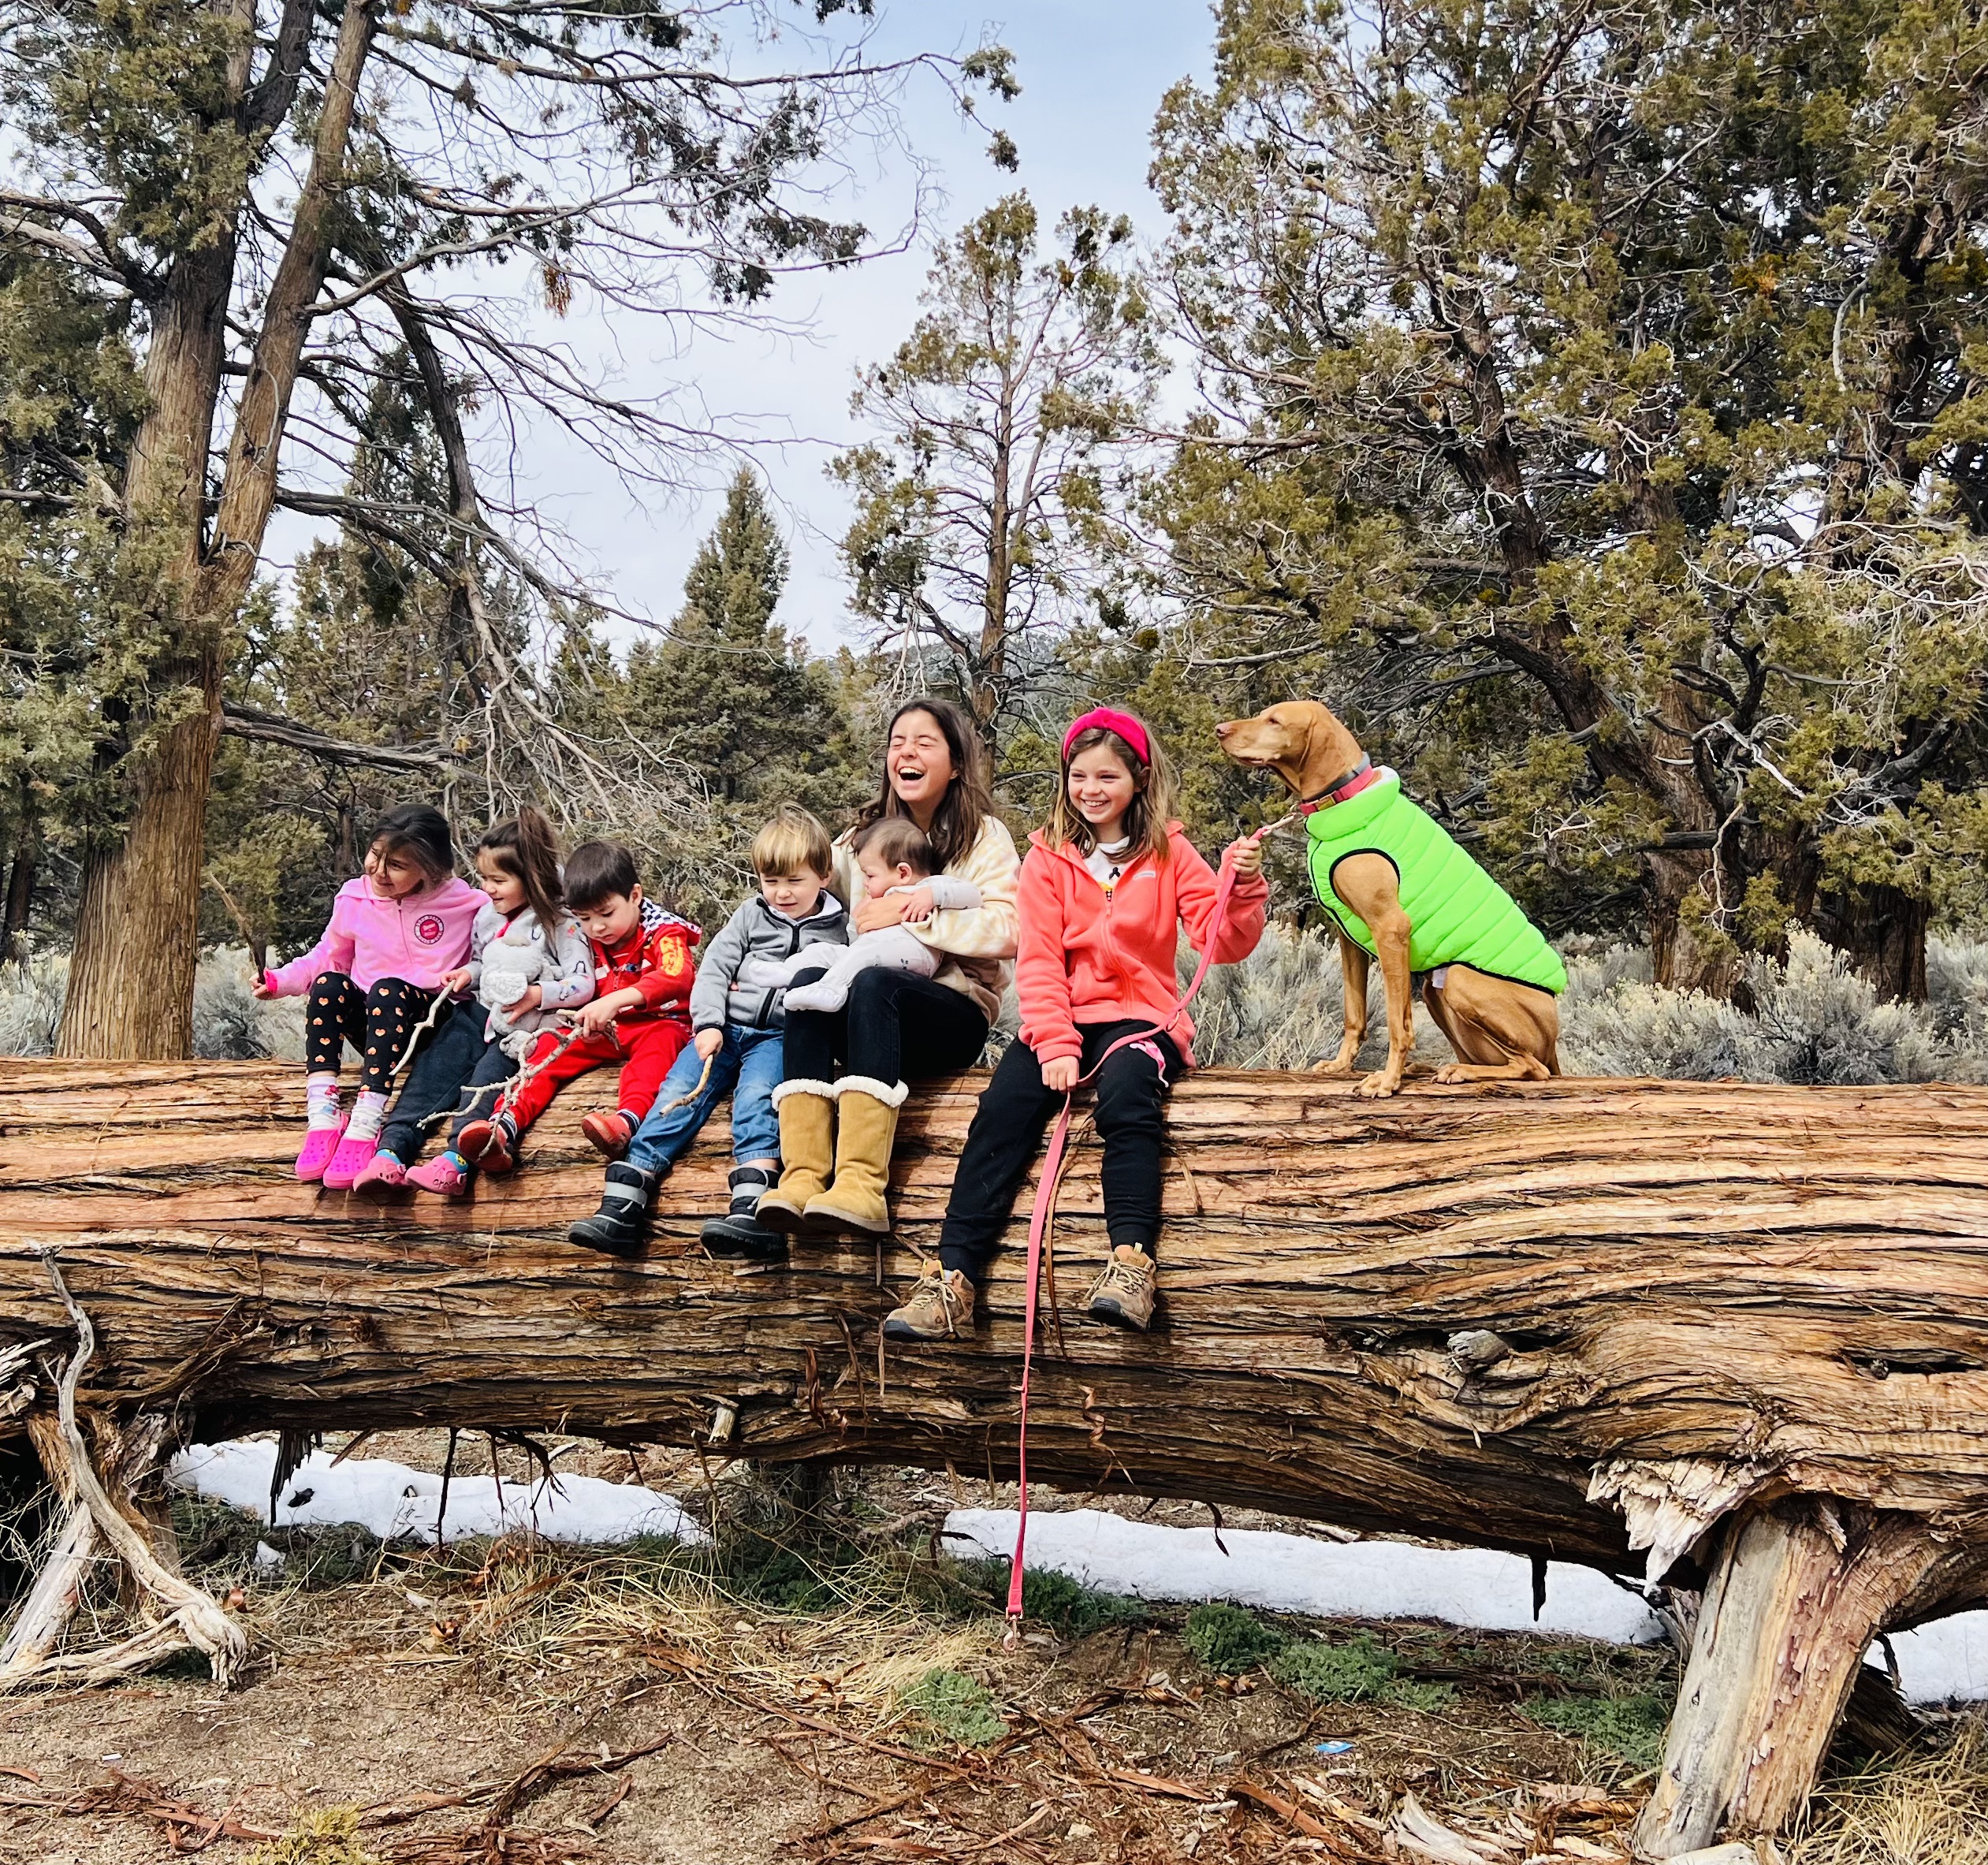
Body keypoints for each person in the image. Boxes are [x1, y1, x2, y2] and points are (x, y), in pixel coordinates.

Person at [885, 708, 1269, 1342]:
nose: (1090, 790)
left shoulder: (1171, 853)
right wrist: (1057, 1042)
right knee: (1001, 1111)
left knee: (1126, 1096)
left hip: (1142, 1017)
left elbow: (1221, 943)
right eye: (1079, 776)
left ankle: (1131, 1266)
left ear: (1139, 780)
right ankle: (951, 1278)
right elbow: (1038, 959)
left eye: (1107, 777)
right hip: (1060, 1016)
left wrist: (1245, 888)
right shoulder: (1047, 860)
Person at [760, 698, 1020, 1239]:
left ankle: (862, 1185)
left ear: (955, 763)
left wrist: (912, 917)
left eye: (925, 743)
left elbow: (1010, 929)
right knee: (810, 985)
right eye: (898, 742)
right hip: (866, 1020)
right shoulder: (862, 841)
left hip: (951, 1015)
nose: (907, 752)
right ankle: (803, 1175)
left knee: (877, 982)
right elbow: (801, 883)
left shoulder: (984, 837)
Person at [568, 805, 848, 1258]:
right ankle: (625, 1198)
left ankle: (752, 1206)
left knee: (759, 1100)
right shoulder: (750, 915)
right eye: (770, 881)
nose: (781, 894)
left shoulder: (840, 930)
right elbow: (715, 970)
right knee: (679, 1090)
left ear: (824, 875)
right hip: (728, 1027)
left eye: (794, 881)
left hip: (780, 1036)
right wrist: (709, 1023)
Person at [434, 840, 698, 1185]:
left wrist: (616, 1001)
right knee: (548, 1052)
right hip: (603, 1026)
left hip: (659, 1023)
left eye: (606, 914)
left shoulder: (663, 932)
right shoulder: (586, 935)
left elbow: (676, 975)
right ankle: (502, 1127)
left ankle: (625, 1121)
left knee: (654, 1057)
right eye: (586, 918)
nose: (598, 928)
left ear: (635, 896)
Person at [254, 803, 487, 1189]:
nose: (378, 871)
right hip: (379, 1031)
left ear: (431, 869)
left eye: (396, 865)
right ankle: (324, 1112)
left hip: (435, 1031)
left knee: (389, 990)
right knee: (330, 984)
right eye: (376, 855)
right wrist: (279, 982)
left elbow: (495, 957)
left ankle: (368, 1118)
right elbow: (326, 957)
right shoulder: (354, 898)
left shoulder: (468, 904)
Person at [369, 808, 594, 1197]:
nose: (487, 889)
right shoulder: (487, 917)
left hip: (527, 1028)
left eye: (499, 880)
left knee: (486, 1080)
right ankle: (392, 1149)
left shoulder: (561, 923)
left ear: (532, 879)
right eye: (483, 878)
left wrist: (539, 996)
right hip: (481, 1012)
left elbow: (583, 984)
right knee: (437, 1064)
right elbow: (482, 960)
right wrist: (467, 975)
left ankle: (456, 1159)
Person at [772, 818, 981, 1015]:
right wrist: (858, 919)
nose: (864, 881)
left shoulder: (927, 886)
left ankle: (832, 990)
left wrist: (933, 896)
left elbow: (972, 896)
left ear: (903, 873)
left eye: (870, 875)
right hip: (877, 952)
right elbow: (856, 940)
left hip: (916, 955)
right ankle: (789, 970)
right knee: (826, 950)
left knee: (862, 954)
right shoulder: (877, 899)